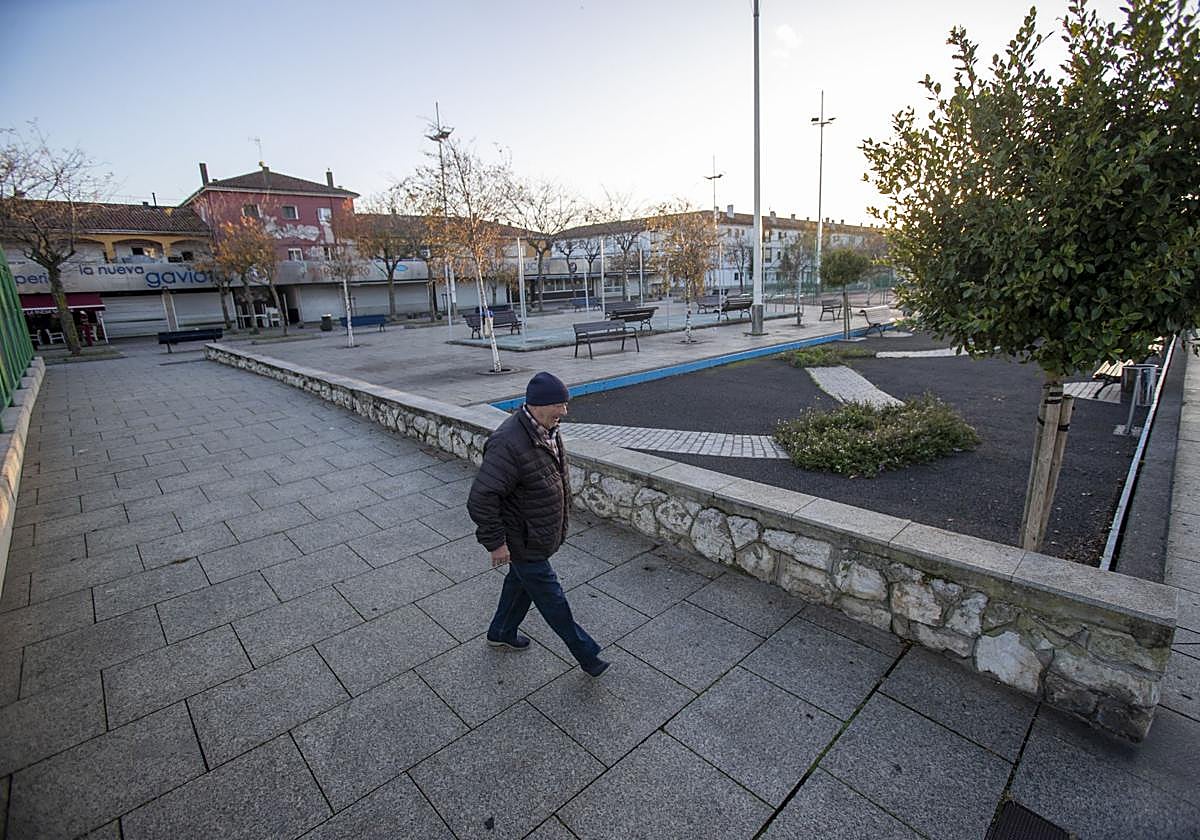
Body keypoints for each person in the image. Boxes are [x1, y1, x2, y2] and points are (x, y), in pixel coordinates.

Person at [467, 371, 610, 678]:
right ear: (538, 404)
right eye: (560, 404)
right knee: (552, 598)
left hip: (536, 533)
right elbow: (481, 497)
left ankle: (501, 631)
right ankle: (587, 654)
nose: (565, 412)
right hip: (523, 540)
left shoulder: (546, 428)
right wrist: (496, 543)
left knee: (519, 584)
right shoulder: (508, 442)